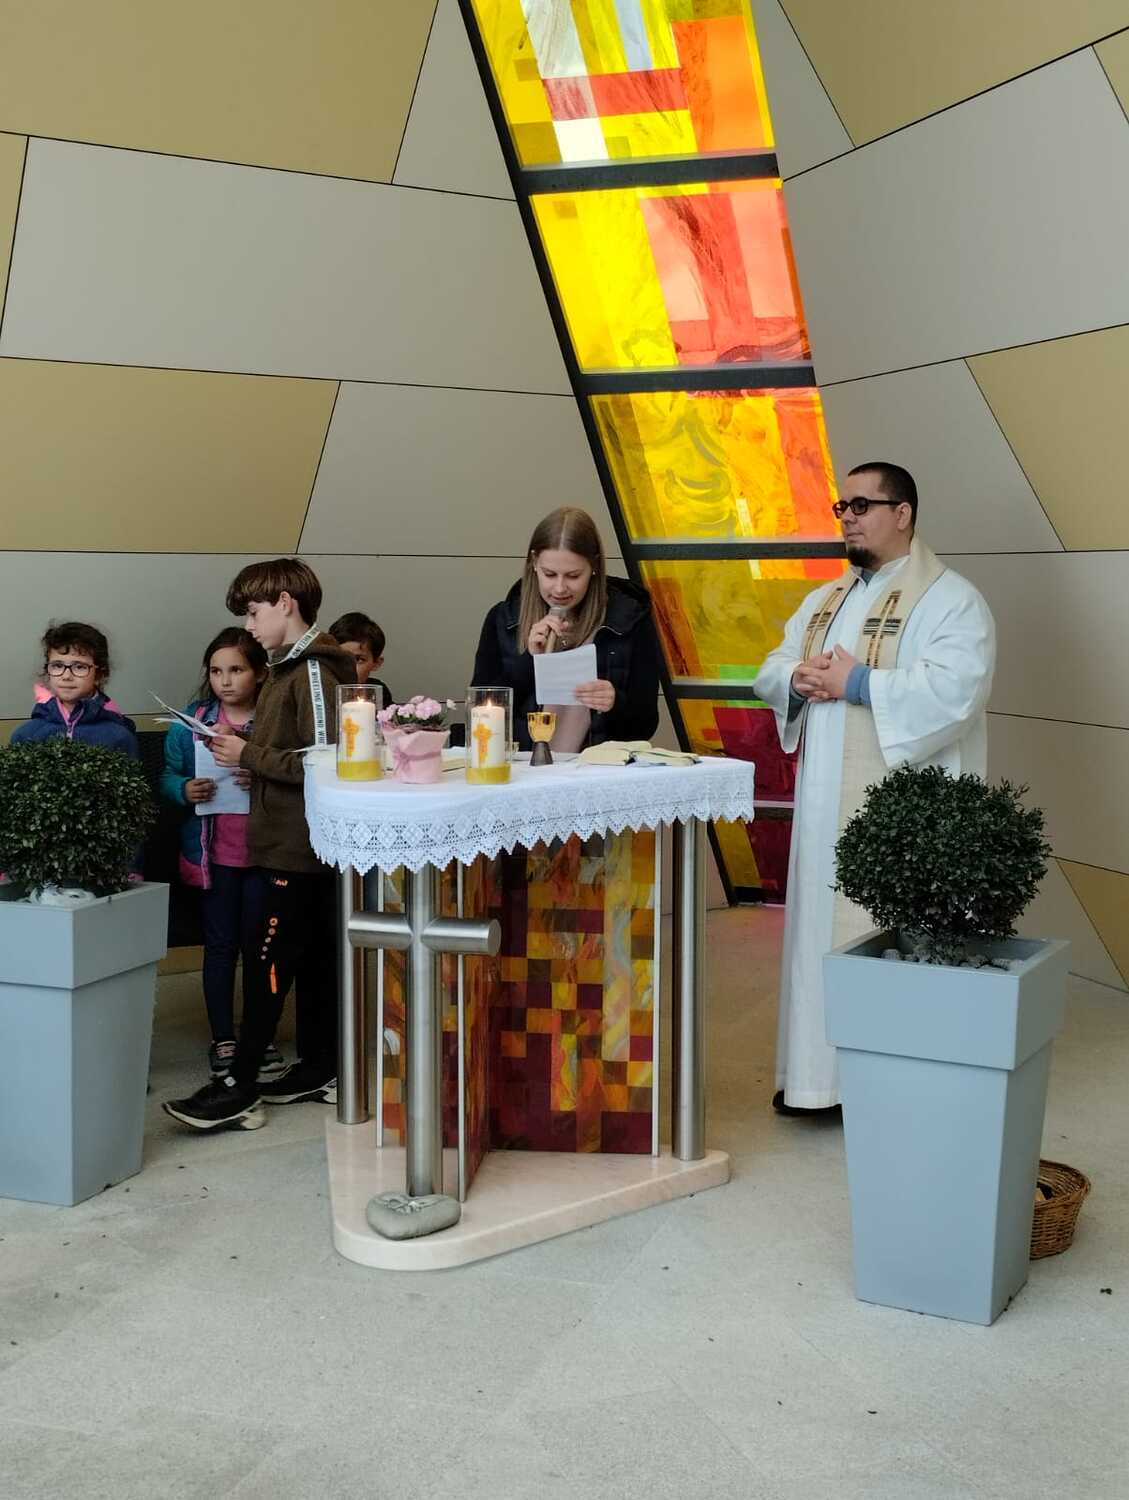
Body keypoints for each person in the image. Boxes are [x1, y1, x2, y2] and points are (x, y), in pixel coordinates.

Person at [755, 462, 996, 1115]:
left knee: (890, 932)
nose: (848, 518)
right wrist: (796, 678)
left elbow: (956, 693)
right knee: (820, 935)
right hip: (824, 807)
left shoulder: (950, 600)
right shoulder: (826, 600)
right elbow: (772, 665)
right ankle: (816, 1082)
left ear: (903, 513)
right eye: (843, 507)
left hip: (901, 812)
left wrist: (858, 683)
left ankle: (889, 1090)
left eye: (862, 505)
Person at [163, 559, 354, 1131]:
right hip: (288, 844)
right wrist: (249, 756)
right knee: (309, 963)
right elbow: (296, 755)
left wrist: (248, 754)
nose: (248, 624)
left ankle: (239, 1086)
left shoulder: (314, 672)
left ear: (285, 603)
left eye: (253, 611)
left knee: (267, 965)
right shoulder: (287, 670)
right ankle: (319, 1066)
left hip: (296, 848)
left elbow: (327, 761)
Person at [159, 627, 287, 1080]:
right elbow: (168, 777)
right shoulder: (191, 722)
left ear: (260, 673)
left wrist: (261, 774)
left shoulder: (275, 720)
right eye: (216, 671)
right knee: (219, 947)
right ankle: (223, 1037)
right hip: (212, 858)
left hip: (265, 856)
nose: (225, 681)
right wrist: (184, 789)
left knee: (261, 948)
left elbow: (295, 774)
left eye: (236, 670)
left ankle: (259, 1034)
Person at [472, 506, 660, 752]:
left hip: (598, 768)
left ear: (594, 566)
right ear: (534, 563)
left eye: (573, 576)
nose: (560, 588)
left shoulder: (629, 621)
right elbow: (481, 713)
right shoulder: (504, 619)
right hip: (524, 767)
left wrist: (615, 702)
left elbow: (646, 725)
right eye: (550, 574)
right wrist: (530, 661)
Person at [13, 622, 138, 757]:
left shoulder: (119, 737)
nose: (66, 676)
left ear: (99, 674)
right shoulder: (26, 735)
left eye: (79, 667)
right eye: (57, 666)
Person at [327, 611, 391, 705]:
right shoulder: (318, 692)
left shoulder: (379, 694)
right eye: (340, 658)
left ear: (376, 663)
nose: (347, 667)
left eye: (358, 660)